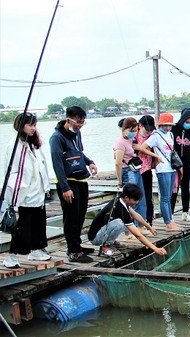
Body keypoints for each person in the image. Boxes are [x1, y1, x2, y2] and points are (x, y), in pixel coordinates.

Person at [49, 106, 98, 263]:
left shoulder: (77, 134)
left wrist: (89, 162)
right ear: (68, 119)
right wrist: (65, 188)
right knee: (71, 217)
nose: (80, 125)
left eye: (83, 122)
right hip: (68, 182)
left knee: (81, 214)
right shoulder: (57, 138)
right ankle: (73, 251)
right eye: (78, 122)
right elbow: (57, 164)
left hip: (81, 179)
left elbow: (79, 153)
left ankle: (78, 246)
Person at [2, 113, 52, 268]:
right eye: (30, 125)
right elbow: (14, 171)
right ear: (21, 125)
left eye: (35, 125)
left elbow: (41, 166)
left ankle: (36, 249)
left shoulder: (34, 144)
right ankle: (12, 256)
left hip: (38, 191)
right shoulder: (15, 146)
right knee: (23, 226)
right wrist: (14, 195)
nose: (33, 128)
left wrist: (46, 187)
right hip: (24, 193)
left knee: (38, 223)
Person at [87, 184, 166, 257]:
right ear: (126, 198)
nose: (136, 202)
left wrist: (149, 226)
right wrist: (155, 248)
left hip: (102, 231)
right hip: (96, 238)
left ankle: (111, 242)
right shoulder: (120, 208)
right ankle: (107, 245)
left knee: (125, 222)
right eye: (135, 200)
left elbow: (135, 215)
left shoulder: (121, 201)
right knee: (119, 223)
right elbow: (138, 235)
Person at [138, 113, 181, 230]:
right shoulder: (155, 136)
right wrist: (155, 156)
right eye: (165, 125)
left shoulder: (171, 135)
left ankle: (171, 220)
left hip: (171, 167)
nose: (167, 128)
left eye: (169, 125)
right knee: (165, 197)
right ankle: (168, 222)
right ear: (160, 124)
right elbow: (142, 147)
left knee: (171, 195)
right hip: (162, 169)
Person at [113, 117, 146, 228]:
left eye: (135, 130)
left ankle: (141, 226)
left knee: (140, 197)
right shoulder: (120, 142)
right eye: (131, 131)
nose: (133, 133)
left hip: (135, 169)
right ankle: (127, 229)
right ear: (124, 128)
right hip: (127, 171)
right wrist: (119, 181)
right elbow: (118, 163)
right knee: (128, 200)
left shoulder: (131, 139)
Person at [169, 108, 190, 222]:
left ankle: (185, 212)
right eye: (187, 122)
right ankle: (170, 214)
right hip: (174, 164)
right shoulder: (174, 129)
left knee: (185, 187)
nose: (189, 125)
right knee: (174, 189)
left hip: (187, 164)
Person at [136, 115, 157, 225]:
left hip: (147, 169)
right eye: (146, 129)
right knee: (137, 197)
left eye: (150, 130)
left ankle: (149, 220)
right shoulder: (134, 135)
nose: (148, 132)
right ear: (140, 126)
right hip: (136, 171)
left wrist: (155, 161)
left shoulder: (153, 136)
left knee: (148, 197)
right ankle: (138, 222)